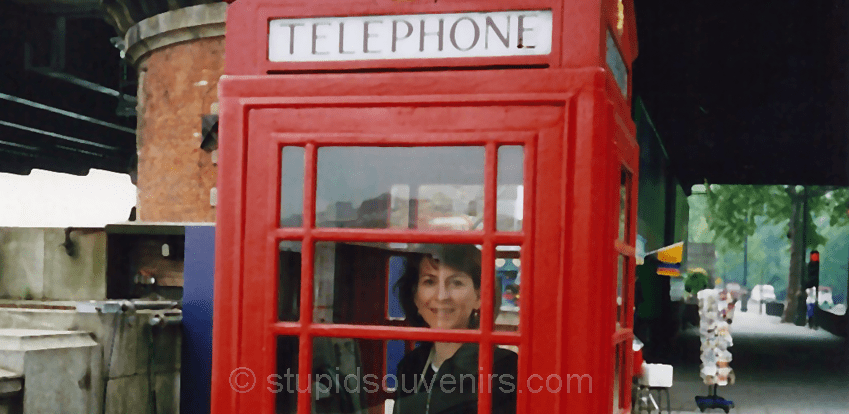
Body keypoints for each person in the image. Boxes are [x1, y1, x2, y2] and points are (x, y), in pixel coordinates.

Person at [393, 245, 517, 414]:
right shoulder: (410, 365)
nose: (442, 296)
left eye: (456, 283)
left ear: (480, 297)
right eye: (429, 281)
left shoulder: (504, 368)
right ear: (415, 296)